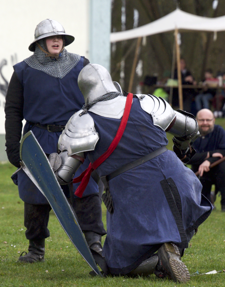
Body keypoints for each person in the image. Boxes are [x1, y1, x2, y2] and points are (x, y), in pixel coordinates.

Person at [50, 64, 212, 283]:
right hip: (178, 178)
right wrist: (182, 149)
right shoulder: (145, 102)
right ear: (111, 81)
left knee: (116, 265)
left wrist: (47, 164)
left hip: (132, 189)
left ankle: (159, 260)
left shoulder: (82, 121)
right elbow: (190, 126)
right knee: (179, 217)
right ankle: (170, 249)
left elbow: (62, 176)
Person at [4, 19, 106, 264]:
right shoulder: (22, 71)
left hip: (77, 137)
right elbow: (14, 112)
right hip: (39, 139)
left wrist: (101, 137)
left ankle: (94, 245)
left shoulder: (81, 65)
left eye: (60, 37)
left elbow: (97, 101)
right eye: (51, 38)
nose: (56, 40)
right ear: (39, 43)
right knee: (35, 196)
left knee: (86, 191)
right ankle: (35, 249)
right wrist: (12, 146)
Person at [188, 108, 225, 211]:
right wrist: (210, 154)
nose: (205, 123)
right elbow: (189, 158)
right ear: (196, 120)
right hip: (198, 170)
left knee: (223, 167)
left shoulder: (219, 131)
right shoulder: (191, 134)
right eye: (201, 120)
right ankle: (207, 200)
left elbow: (224, 151)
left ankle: (224, 204)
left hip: (218, 169)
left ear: (213, 120)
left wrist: (208, 161)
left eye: (208, 120)